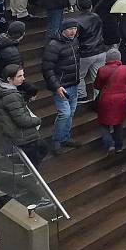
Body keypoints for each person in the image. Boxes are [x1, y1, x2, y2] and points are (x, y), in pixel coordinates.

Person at [0, 64, 46, 165]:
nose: (23, 78)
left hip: (10, 131)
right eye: (19, 76)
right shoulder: (11, 96)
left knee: (42, 148)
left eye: (23, 75)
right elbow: (22, 120)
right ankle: (28, 175)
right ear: (9, 79)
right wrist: (37, 120)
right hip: (22, 136)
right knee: (36, 159)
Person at [42, 20, 81, 154]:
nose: (73, 32)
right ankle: (57, 140)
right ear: (63, 29)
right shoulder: (53, 45)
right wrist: (57, 86)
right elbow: (47, 69)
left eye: (75, 29)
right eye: (70, 29)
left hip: (74, 83)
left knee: (71, 112)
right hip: (61, 86)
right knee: (65, 113)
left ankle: (65, 137)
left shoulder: (75, 41)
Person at [93, 48, 126, 154]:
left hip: (106, 99)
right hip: (121, 100)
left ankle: (109, 144)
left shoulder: (102, 70)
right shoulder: (125, 69)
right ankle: (119, 146)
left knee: (103, 123)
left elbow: (97, 86)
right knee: (118, 124)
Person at [73, 0, 107, 103]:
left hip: (86, 52)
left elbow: (75, 37)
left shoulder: (77, 21)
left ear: (78, 7)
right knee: (97, 76)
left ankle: (82, 96)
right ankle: (99, 97)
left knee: (80, 75)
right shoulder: (97, 17)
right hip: (100, 50)